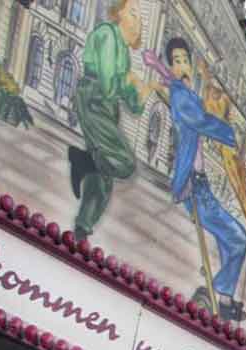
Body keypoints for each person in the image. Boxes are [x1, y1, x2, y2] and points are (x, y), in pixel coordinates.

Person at [158, 37, 246, 322]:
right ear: (172, 67)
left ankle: (224, 298)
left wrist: (161, 71)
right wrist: (229, 133)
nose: (182, 66)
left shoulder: (185, 92)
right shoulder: (182, 97)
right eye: (176, 61)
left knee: (229, 238)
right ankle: (218, 287)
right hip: (192, 185)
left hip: (200, 183)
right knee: (239, 239)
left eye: (185, 60)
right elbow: (199, 120)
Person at [68, 0, 157, 242]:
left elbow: (133, 106)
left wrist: (143, 91)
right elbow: (108, 86)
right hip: (94, 99)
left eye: (140, 17)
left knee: (103, 178)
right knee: (125, 164)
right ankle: (83, 161)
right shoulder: (107, 34)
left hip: (106, 108)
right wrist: (127, 81)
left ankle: (82, 228)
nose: (139, 22)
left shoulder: (125, 55)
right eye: (134, 13)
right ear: (119, 13)